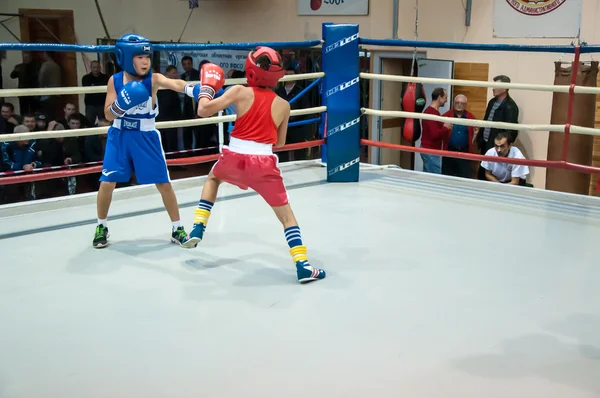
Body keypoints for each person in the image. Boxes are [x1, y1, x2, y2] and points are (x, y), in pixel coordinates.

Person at [181, 46, 326, 284]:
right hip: (263, 163)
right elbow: (279, 142)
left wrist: (207, 90)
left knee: (213, 179)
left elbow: (203, 109)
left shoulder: (239, 91)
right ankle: (303, 266)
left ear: (250, 70)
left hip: (234, 157)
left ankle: (197, 228)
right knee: (287, 217)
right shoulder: (284, 105)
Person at [93, 34, 200, 248]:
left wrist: (196, 89)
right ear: (126, 58)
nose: (145, 62)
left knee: (163, 183)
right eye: (140, 57)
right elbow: (108, 114)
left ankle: (177, 228)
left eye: (147, 57)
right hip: (119, 135)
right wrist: (119, 106)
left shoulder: (153, 79)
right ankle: (101, 226)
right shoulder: (114, 81)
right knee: (107, 182)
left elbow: (176, 83)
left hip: (146, 135)